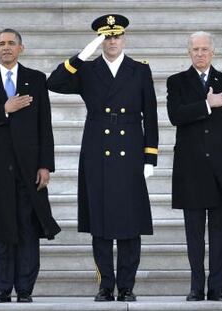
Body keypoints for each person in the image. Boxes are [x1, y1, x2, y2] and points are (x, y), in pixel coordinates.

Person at [47, 14, 158, 302]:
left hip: (131, 149)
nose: (112, 42)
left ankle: (127, 285)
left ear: (124, 38)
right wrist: (83, 55)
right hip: (98, 149)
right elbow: (54, 82)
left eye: (116, 36)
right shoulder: (88, 69)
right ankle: (106, 285)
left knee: (130, 223)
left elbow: (152, 115)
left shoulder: (140, 69)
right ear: (100, 40)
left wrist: (150, 158)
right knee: (101, 222)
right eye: (106, 37)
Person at [0, 28, 60, 303]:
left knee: (27, 228)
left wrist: (46, 166)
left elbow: (46, 125)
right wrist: (5, 109)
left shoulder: (36, 79)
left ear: (21, 47)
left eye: (11, 43)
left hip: (29, 168)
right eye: (1, 44)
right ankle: (2, 288)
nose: (6, 47)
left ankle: (25, 289)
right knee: (0, 228)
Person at [166, 31, 222, 302]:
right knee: (194, 234)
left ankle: (217, 288)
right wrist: (206, 104)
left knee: (220, 234)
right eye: (195, 49)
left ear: (213, 52)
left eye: (204, 49)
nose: (199, 54)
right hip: (190, 169)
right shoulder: (176, 82)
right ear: (188, 52)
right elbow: (175, 116)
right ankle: (195, 287)